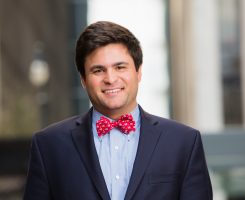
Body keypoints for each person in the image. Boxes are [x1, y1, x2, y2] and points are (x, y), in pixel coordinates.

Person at [23, 21, 213, 200]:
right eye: (98, 70)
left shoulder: (184, 143)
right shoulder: (49, 145)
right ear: (83, 80)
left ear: (138, 72)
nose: (111, 78)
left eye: (120, 67)